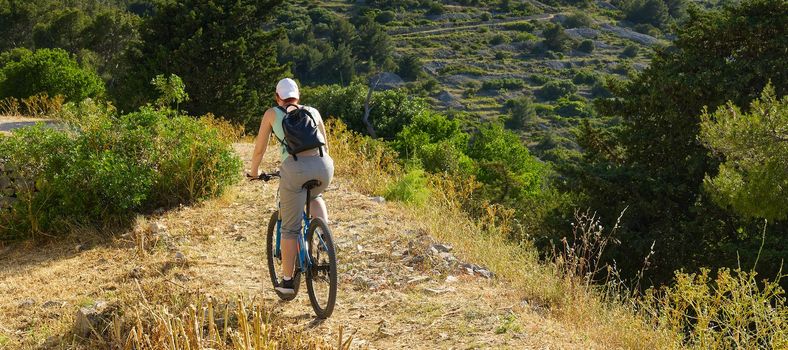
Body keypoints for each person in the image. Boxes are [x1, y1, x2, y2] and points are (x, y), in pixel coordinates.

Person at [248, 78, 334, 294]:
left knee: (289, 228)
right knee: (314, 196)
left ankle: (287, 282)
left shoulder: (272, 113)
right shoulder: (312, 111)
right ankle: (325, 240)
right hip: (324, 166)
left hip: (295, 169)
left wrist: (254, 172)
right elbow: (325, 143)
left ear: (278, 97)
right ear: (298, 96)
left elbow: (260, 149)